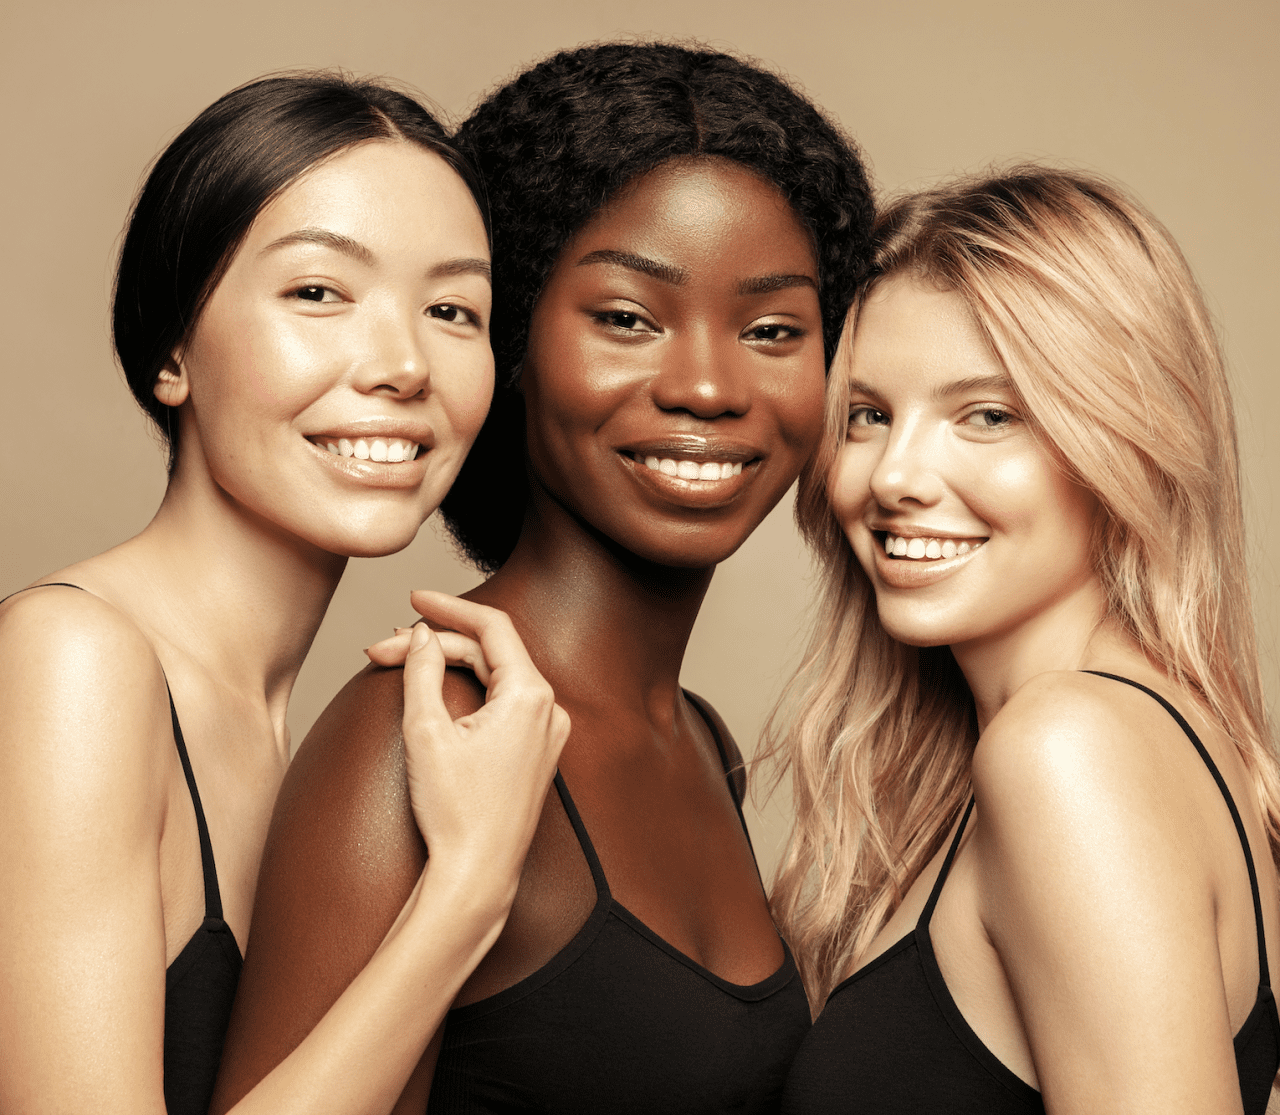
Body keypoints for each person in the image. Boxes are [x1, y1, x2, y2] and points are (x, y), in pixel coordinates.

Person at [212, 43, 875, 1114]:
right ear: (511, 336)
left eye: (769, 330)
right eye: (625, 318)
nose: (706, 383)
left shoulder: (701, 740)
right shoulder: (417, 732)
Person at [0, 73, 568, 1115]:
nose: (401, 364)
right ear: (172, 348)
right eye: (318, 292)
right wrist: (466, 890)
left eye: (451, 309)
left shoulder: (293, 728)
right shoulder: (72, 659)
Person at [769, 167, 1280, 1113]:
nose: (896, 475)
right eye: (870, 416)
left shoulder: (1068, 752)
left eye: (988, 415)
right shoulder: (1149, 738)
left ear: (1125, 439)